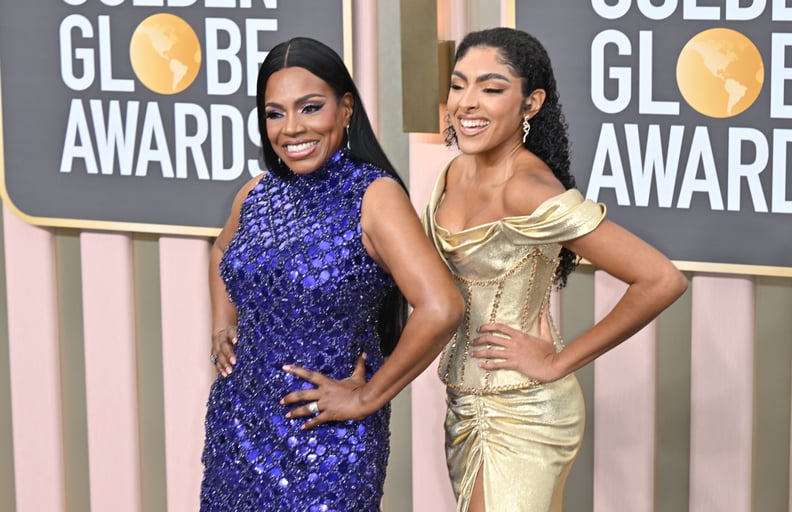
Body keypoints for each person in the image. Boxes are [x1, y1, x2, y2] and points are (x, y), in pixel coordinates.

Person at [422, 28, 689, 512]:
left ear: (531, 102)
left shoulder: (530, 189)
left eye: (491, 88)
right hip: (463, 404)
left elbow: (661, 279)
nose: (466, 102)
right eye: (458, 85)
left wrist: (556, 362)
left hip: (525, 409)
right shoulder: (453, 173)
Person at [200, 37, 463, 511]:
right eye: (274, 113)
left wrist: (368, 397)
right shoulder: (257, 194)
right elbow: (223, 249)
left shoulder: (374, 197)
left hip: (325, 443)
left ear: (345, 110)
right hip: (237, 430)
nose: (291, 128)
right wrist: (224, 324)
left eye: (310, 107)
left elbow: (442, 307)